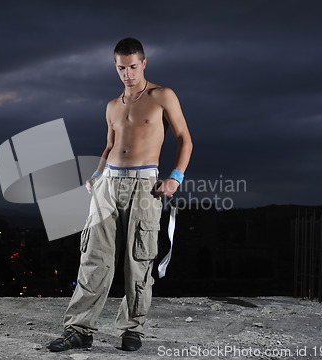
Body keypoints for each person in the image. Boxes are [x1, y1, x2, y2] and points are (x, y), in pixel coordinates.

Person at [46, 37, 192, 352]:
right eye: (122, 68)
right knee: (93, 258)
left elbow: (185, 139)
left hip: (144, 185)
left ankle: (132, 329)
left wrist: (175, 178)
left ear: (144, 63)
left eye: (133, 67)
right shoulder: (112, 106)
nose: (128, 74)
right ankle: (80, 329)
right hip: (108, 184)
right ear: (116, 66)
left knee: (139, 259)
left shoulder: (162, 96)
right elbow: (110, 146)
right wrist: (97, 175)